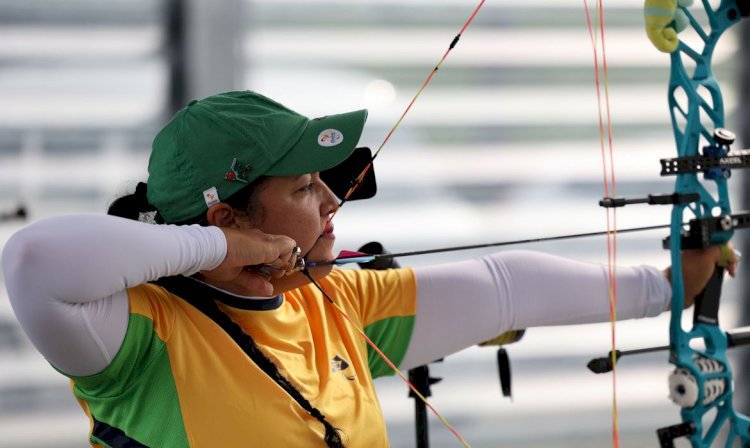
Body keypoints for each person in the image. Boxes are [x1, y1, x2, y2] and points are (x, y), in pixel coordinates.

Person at [1, 90, 739, 448]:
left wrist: (672, 287)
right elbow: (33, 260)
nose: (331, 201)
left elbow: (504, 285)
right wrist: (221, 253)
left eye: (325, 181)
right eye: (301, 187)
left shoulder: (340, 303)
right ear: (225, 217)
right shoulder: (135, 338)